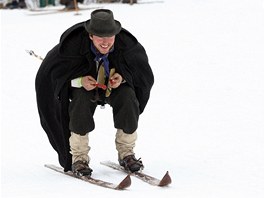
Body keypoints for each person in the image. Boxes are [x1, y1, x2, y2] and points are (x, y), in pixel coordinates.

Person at [35, 9, 154, 176]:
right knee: (80, 102)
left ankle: (127, 154)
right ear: (90, 35)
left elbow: (141, 75)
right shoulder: (72, 47)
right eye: (100, 38)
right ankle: (79, 158)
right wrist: (79, 81)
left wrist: (124, 78)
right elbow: (51, 79)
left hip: (113, 89)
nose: (105, 43)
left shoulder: (127, 47)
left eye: (110, 37)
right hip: (84, 90)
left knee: (128, 97)